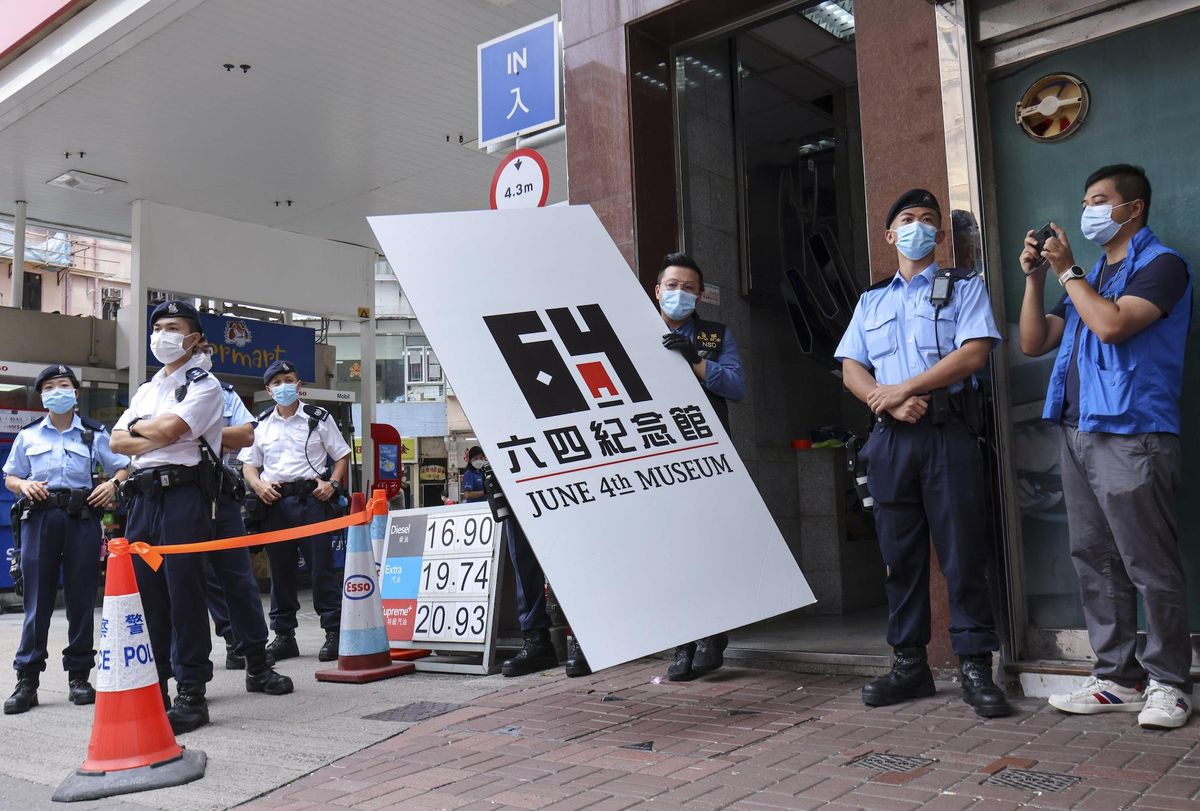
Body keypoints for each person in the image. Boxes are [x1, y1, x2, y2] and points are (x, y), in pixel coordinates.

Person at [1017, 164, 1193, 730]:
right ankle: (1117, 678)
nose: (1089, 209)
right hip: (1076, 431)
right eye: (1086, 198)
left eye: (1100, 199)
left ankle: (1169, 683)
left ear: (1132, 208)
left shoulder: (1163, 267)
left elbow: (1113, 326)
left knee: (1148, 561)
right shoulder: (1088, 276)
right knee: (1094, 559)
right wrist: (1036, 278)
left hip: (1134, 433)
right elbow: (1033, 340)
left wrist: (1067, 270)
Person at [834, 189, 1010, 718]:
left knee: (963, 553)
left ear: (939, 235)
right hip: (890, 441)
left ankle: (976, 665)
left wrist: (902, 389)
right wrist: (882, 400)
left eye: (928, 221)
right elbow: (850, 366)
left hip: (946, 434)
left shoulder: (964, 286)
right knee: (899, 558)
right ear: (890, 235)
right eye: (907, 219)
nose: (918, 227)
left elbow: (973, 353)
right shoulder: (871, 301)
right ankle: (909, 666)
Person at [110, 300, 225, 733]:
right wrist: (150, 432)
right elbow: (116, 442)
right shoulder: (147, 388)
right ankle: (155, 687)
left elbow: (169, 432)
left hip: (183, 498)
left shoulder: (205, 384)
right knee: (149, 598)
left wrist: (145, 431)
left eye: (172, 327)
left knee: (185, 594)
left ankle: (192, 693)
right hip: (143, 500)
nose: (161, 335)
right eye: (157, 326)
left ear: (193, 338)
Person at [3, 365, 129, 714]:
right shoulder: (28, 436)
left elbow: (123, 465)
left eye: (64, 385)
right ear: (42, 396)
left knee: (81, 601)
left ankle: (79, 677)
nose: (57, 391)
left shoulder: (92, 434)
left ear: (75, 393)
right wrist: (22, 485)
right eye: (50, 387)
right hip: (40, 518)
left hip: (82, 519)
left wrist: (112, 484)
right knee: (37, 602)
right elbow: (11, 476)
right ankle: (27, 681)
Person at [176, 343, 292, 695]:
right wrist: (189, 434)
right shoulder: (154, 393)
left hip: (222, 494)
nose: (198, 353)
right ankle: (195, 677)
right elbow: (138, 440)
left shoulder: (222, 393)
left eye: (202, 347)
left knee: (239, 579)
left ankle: (257, 662)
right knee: (188, 586)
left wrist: (184, 432)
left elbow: (245, 434)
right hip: (178, 497)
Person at [657, 252, 747, 682]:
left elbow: (736, 385)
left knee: (710, 544)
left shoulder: (715, 334)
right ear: (657, 290)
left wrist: (696, 361)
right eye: (672, 286)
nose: (679, 294)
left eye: (688, 288)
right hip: (656, 453)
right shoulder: (634, 330)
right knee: (673, 549)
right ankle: (682, 643)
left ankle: (712, 634)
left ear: (700, 294)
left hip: (708, 453)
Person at [240, 360, 350, 663]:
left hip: (312, 501)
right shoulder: (260, 423)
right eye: (277, 383)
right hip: (275, 503)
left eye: (289, 380)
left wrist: (333, 484)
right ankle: (284, 635)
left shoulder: (318, 418)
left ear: (298, 384)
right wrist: (258, 486)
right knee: (281, 571)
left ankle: (334, 632)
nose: (283, 387)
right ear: (268, 390)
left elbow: (340, 456)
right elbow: (249, 465)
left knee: (321, 568)